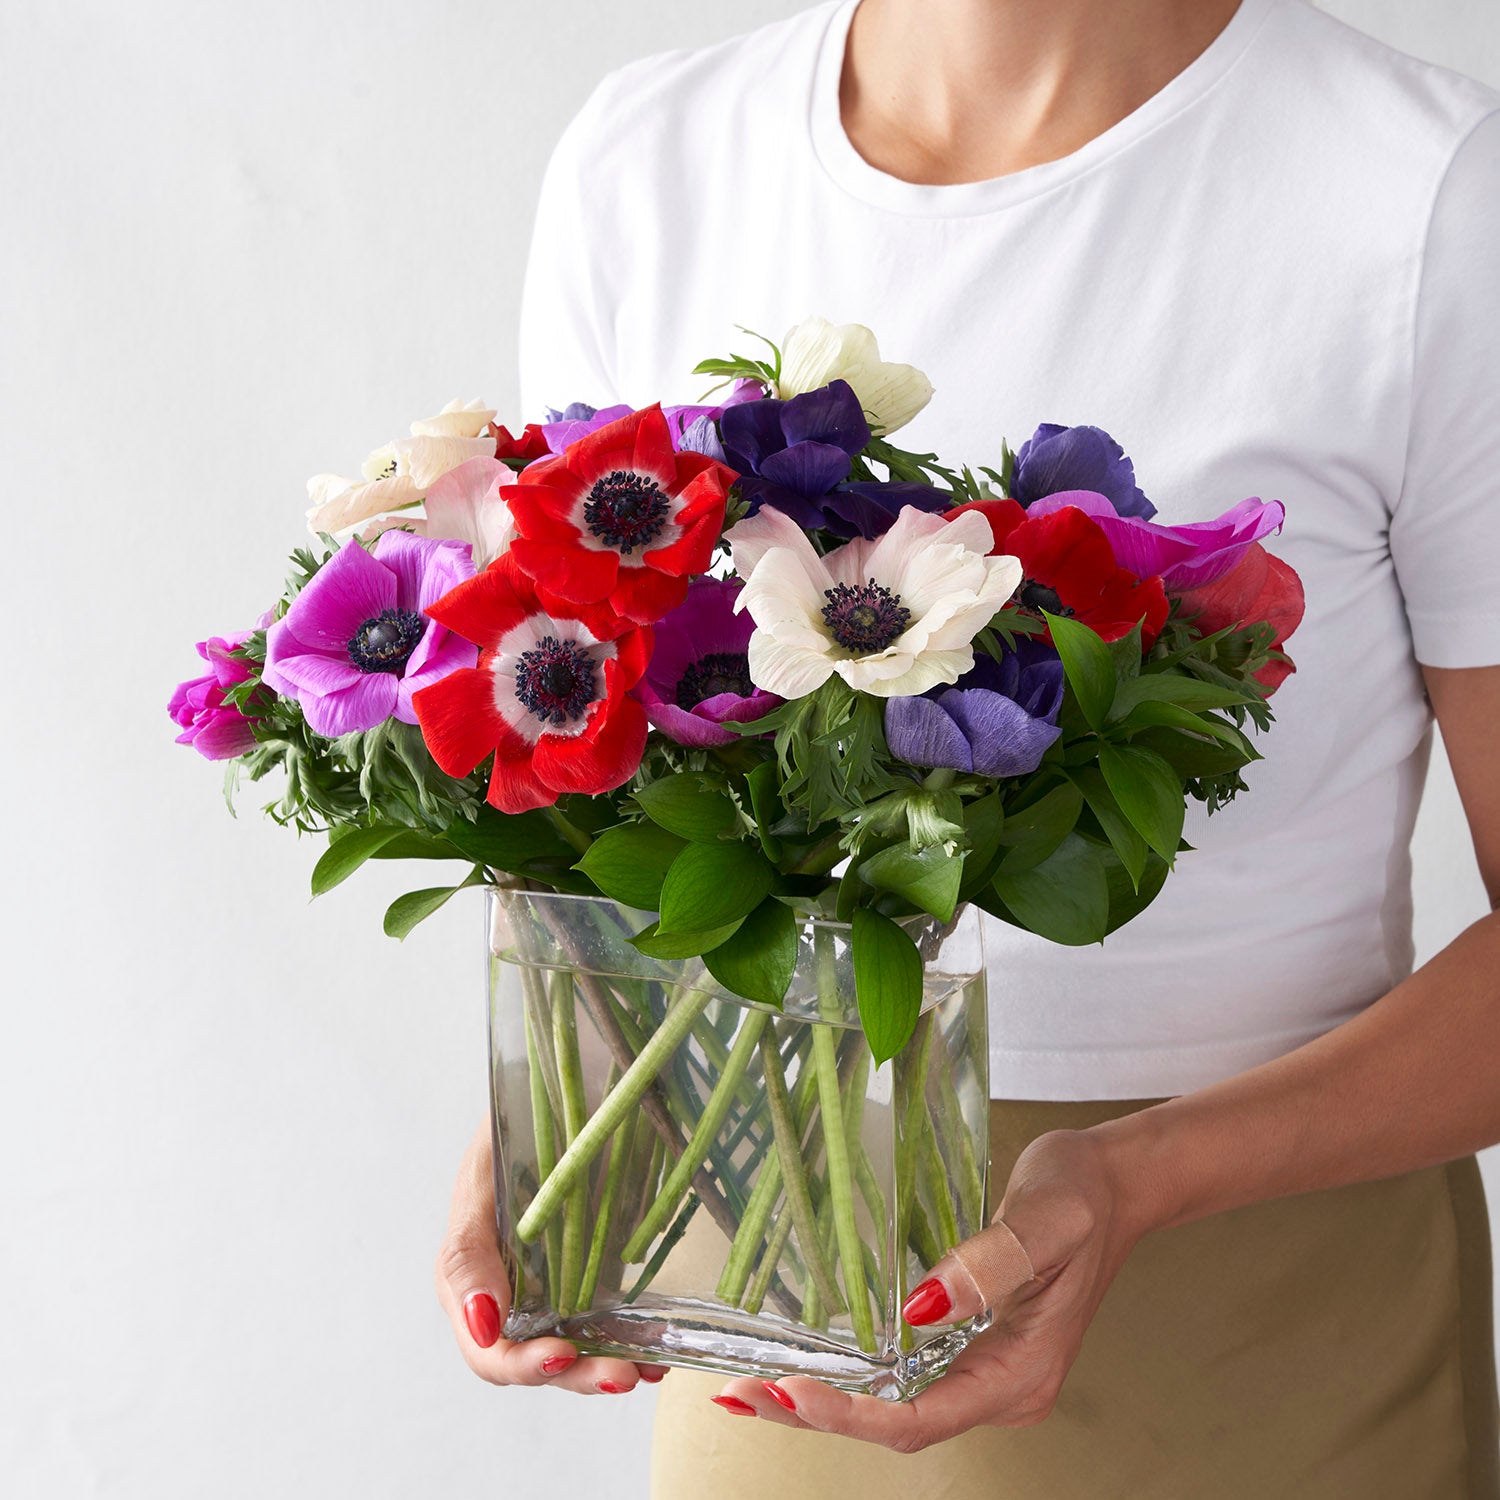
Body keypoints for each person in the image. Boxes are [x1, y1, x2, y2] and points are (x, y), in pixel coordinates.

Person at [434, 0, 1500, 1493]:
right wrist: (551, 1120)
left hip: (1269, 1329)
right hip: (782, 1312)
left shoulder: (1424, 195)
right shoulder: (652, 160)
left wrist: (1146, 1177)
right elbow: (594, 790)